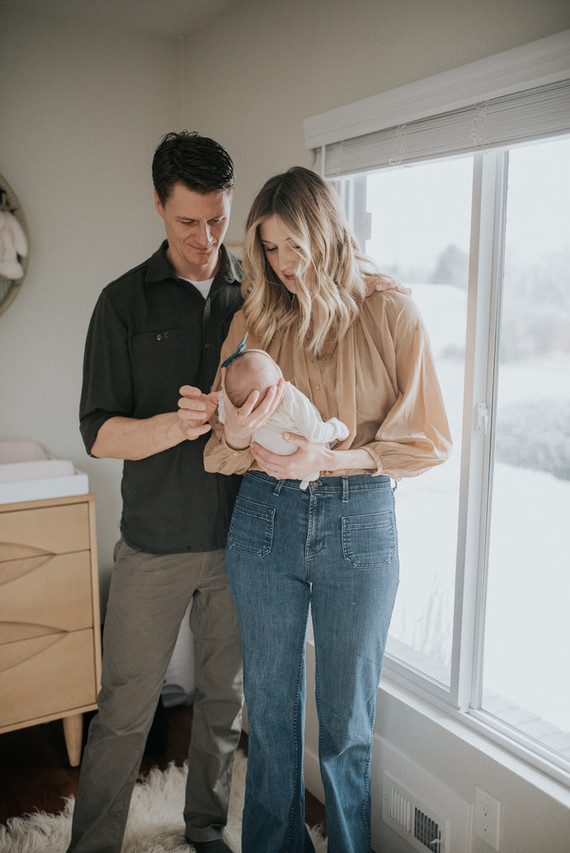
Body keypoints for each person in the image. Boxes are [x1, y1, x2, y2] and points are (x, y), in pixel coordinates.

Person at [194, 166, 452, 853]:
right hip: (263, 520)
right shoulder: (254, 317)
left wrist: (329, 459)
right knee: (273, 721)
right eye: (270, 250)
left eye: (294, 247)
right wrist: (240, 434)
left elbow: (429, 439)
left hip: (359, 520)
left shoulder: (392, 311)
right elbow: (220, 450)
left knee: (346, 727)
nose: (282, 265)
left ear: (330, 234)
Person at [70, 131, 245, 853]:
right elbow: (100, 433)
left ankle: (206, 831)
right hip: (151, 548)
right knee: (122, 713)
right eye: (187, 222)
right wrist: (179, 423)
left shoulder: (258, 295)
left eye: (218, 218)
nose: (206, 238)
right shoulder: (121, 303)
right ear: (157, 206)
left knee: (225, 706)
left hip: (241, 547)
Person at [220, 338, 349, 490]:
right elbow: (315, 432)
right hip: (311, 462)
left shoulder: (239, 413)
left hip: (273, 474)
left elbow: (224, 416)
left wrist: (218, 398)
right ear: (279, 374)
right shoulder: (288, 396)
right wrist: (338, 429)